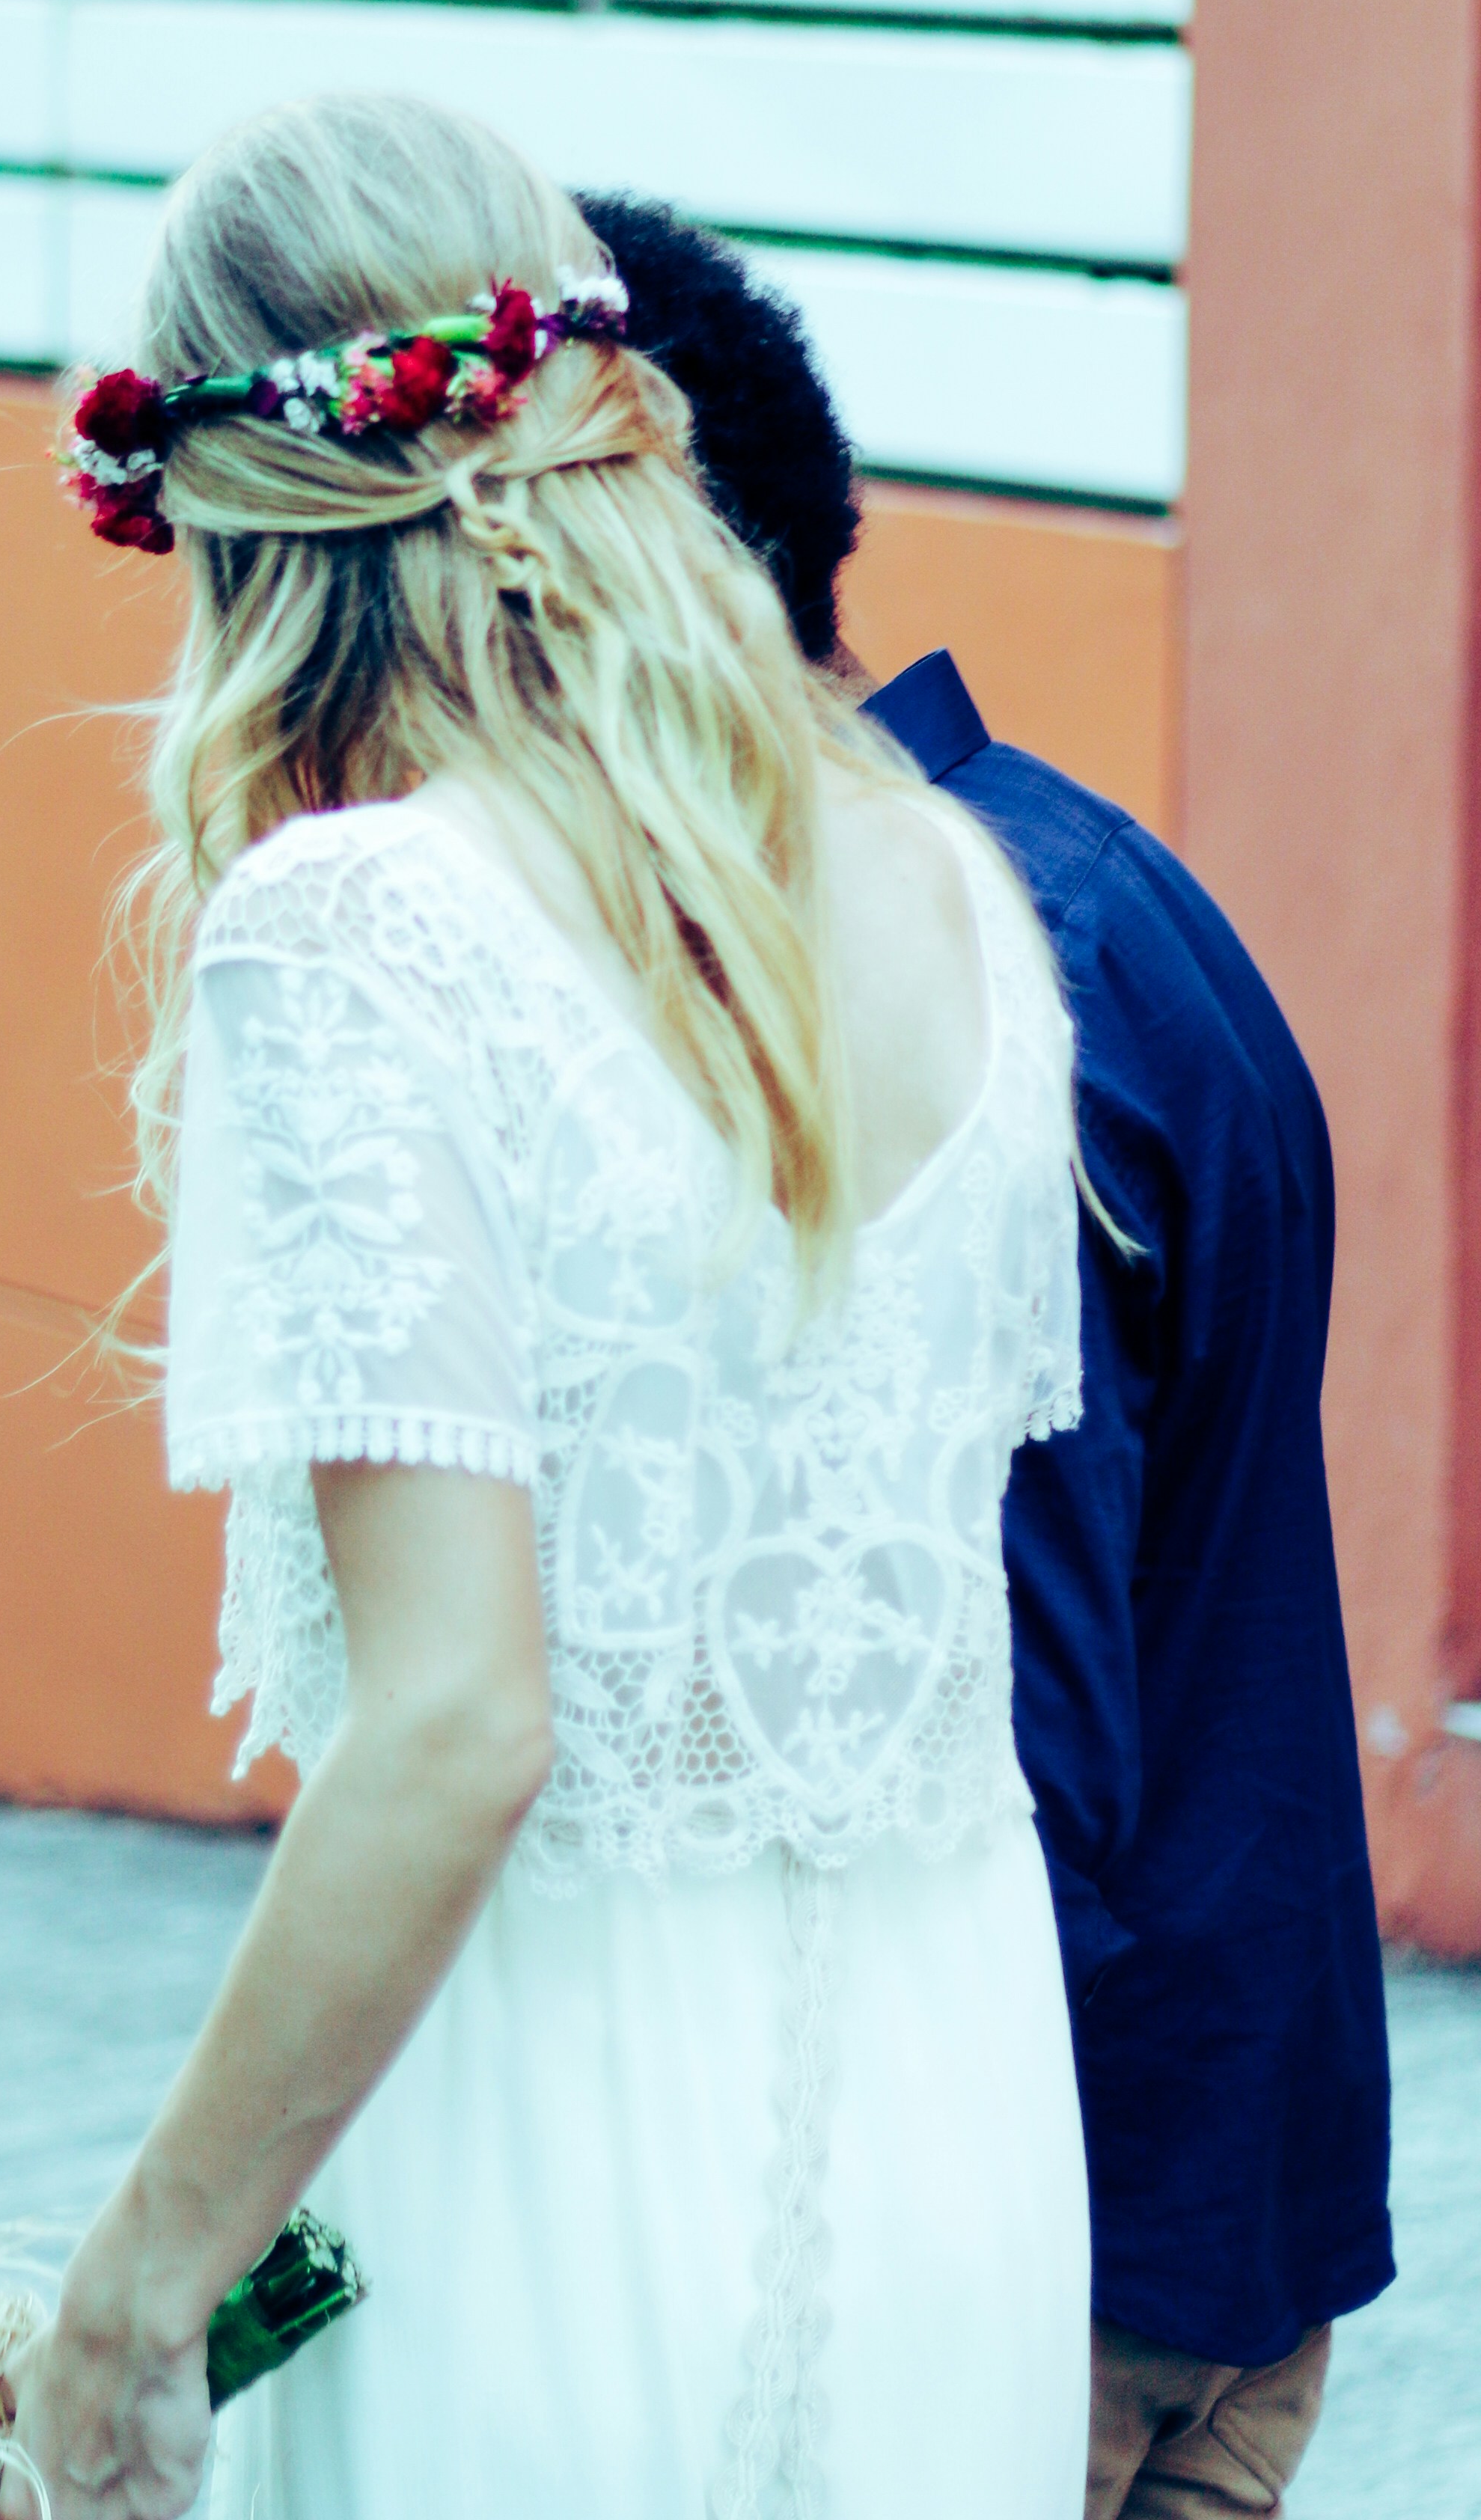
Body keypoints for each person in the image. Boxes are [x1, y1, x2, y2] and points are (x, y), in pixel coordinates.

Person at [7, 93, 1095, 2519]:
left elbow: (464, 1721)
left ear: (241, 541)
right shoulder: (954, 902)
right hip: (964, 2163)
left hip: (544, 2154)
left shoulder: (356, 934)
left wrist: (131, 2301)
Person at [573, 192, 1395, 2520]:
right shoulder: (1100, 886)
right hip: (1237, 2183)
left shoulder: (927, 1002)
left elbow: (1001, 1729)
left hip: (1043, 2245)